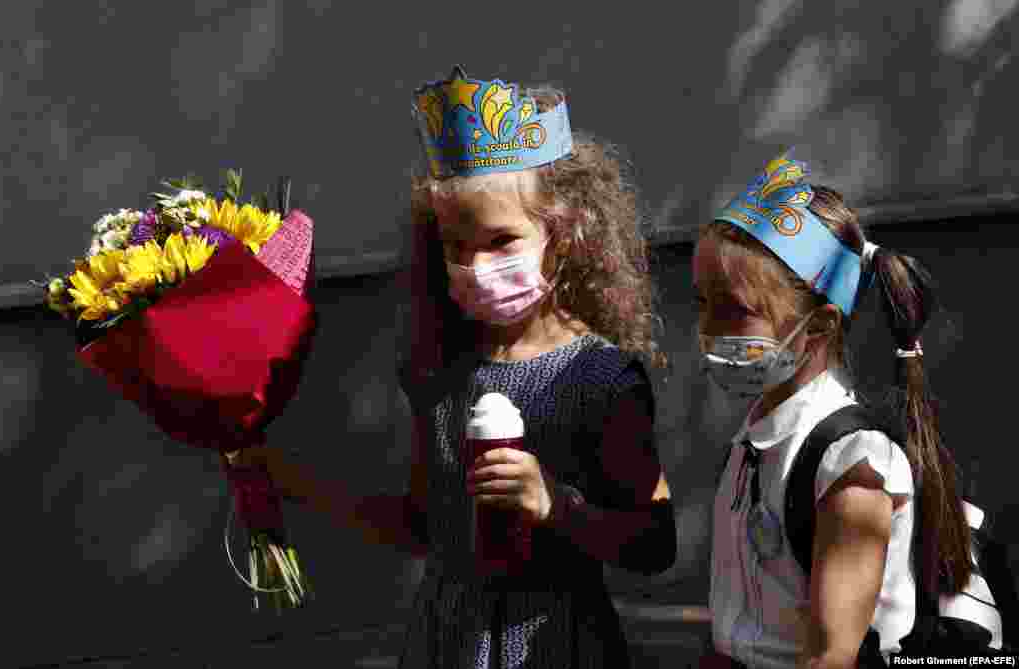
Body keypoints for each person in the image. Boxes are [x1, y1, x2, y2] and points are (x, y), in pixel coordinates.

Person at [231, 65, 676, 668]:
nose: (475, 264)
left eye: (500, 241)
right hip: (446, 642)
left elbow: (654, 543)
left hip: (556, 646)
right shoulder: (439, 372)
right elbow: (425, 527)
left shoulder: (601, 379)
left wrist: (557, 505)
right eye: (455, 246)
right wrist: (290, 479)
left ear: (564, 235)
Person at [694, 154, 975, 669]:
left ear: (820, 326)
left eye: (735, 309)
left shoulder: (852, 461)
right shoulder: (756, 436)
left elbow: (831, 654)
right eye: (701, 302)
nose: (710, 327)